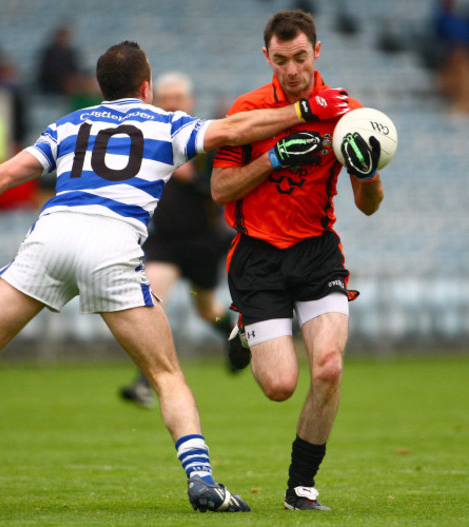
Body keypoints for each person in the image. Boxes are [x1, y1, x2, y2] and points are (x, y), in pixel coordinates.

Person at [0, 40, 350, 514]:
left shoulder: (68, 124)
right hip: (109, 245)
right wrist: (304, 109)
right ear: (147, 87)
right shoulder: (164, 123)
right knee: (165, 375)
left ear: (102, 88)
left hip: (50, 238)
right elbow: (235, 129)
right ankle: (201, 481)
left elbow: (1, 176)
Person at [211, 10, 385, 511]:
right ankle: (244, 325)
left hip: (315, 252)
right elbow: (220, 188)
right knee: (281, 386)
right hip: (258, 256)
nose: (292, 70)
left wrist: (369, 173)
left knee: (328, 367)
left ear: (317, 52)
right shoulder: (246, 111)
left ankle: (301, 488)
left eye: (301, 58)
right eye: (281, 60)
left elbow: (368, 205)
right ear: (267, 57)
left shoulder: (348, 113)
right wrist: (275, 158)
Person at [119, 72, 235, 409]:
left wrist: (193, 178)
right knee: (152, 303)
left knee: (206, 310)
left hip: (202, 242)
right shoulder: (146, 142)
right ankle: (145, 382)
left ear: (189, 102)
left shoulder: (207, 141)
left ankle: (232, 334)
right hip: (164, 245)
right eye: (165, 97)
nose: (171, 103)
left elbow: (221, 190)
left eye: (177, 98)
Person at [34, 24, 81, 95]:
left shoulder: (70, 52)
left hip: (67, 81)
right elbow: (47, 71)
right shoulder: (49, 52)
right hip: (52, 83)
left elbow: (75, 68)